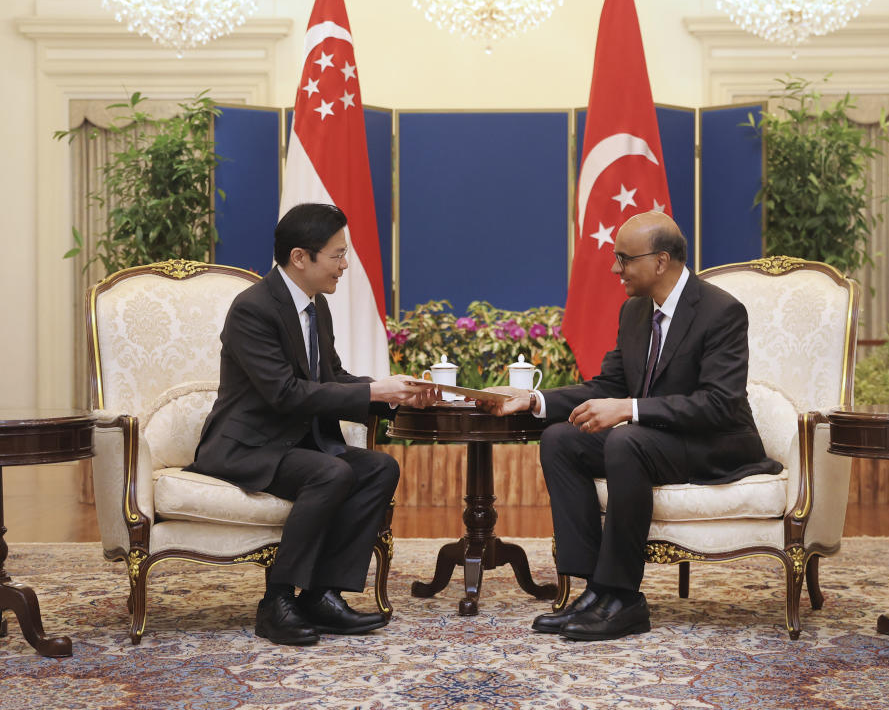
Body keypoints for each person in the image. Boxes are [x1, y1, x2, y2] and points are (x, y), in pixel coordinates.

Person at [478, 210, 782, 641]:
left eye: (624, 258)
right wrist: (534, 399)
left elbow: (717, 404)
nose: (614, 268)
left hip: (715, 443)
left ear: (660, 261)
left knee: (625, 441)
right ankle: (590, 588)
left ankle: (623, 597)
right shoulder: (635, 312)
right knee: (561, 439)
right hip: (656, 441)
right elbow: (608, 385)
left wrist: (630, 409)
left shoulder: (721, 311)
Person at [190, 203, 437, 646]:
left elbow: (332, 380)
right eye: (337, 255)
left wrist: (392, 393)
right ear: (300, 257)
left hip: (295, 444)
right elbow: (284, 393)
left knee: (380, 468)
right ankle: (277, 601)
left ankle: (323, 595)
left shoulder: (315, 307)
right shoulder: (253, 309)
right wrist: (374, 392)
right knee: (332, 470)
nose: (345, 266)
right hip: (247, 446)